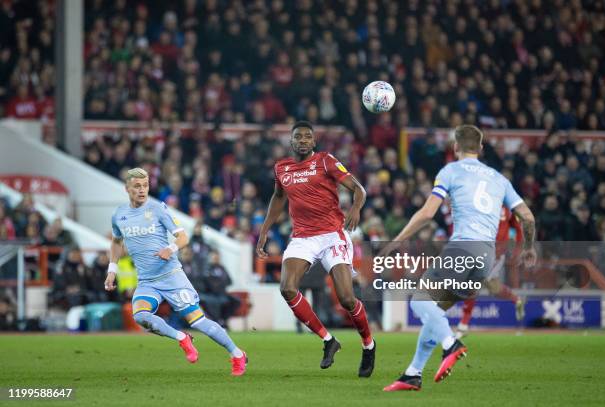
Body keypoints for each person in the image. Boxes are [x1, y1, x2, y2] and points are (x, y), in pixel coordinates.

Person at [382, 125, 536, 392]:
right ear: (481, 148)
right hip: (485, 258)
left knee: (420, 301)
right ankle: (413, 374)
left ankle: (451, 344)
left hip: (463, 247)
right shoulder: (499, 179)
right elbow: (528, 217)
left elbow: (428, 212)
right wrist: (530, 247)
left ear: (455, 147)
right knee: (436, 311)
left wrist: (397, 239)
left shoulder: (450, 170)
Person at [256, 121, 376, 378]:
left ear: (313, 142)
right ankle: (328, 340)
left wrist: (355, 208)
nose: (302, 140)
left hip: (333, 235)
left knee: (346, 298)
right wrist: (265, 229)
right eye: (297, 136)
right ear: (291, 141)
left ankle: (368, 344)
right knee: (287, 288)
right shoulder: (282, 168)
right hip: (303, 237)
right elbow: (278, 198)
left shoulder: (325, 161)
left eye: (307, 137)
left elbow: (359, 189)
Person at [104, 168, 247, 376]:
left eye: (145, 185)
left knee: (198, 321)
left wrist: (169, 249)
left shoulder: (158, 208)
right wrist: (112, 270)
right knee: (141, 316)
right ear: (127, 189)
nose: (142, 190)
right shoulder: (119, 215)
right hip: (147, 281)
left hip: (172, 277)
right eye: (137, 186)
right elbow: (117, 242)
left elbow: (183, 238)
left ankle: (237, 354)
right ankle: (182, 338)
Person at [456, 205, 526, 338]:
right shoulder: (482, 202)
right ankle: (516, 300)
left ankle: (463, 325)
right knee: (492, 287)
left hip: (496, 253)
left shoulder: (506, 208)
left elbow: (517, 228)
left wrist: (518, 249)